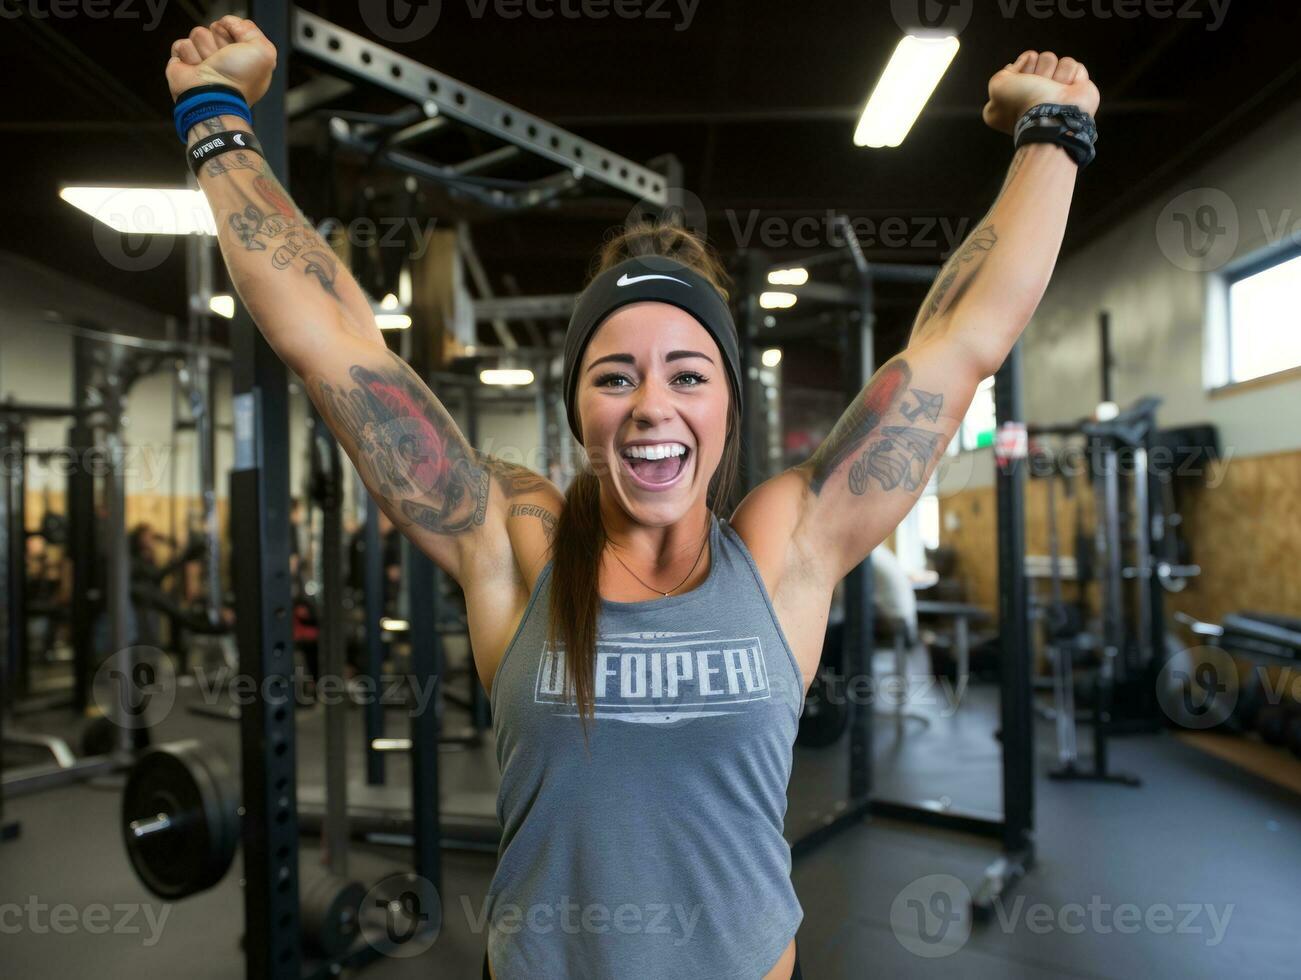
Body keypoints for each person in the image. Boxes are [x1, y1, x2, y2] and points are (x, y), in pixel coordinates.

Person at [165, 18, 1099, 979]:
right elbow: (334, 346)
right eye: (614, 377)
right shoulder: (518, 541)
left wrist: (1055, 134)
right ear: (577, 407)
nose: (653, 405)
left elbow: (960, 342)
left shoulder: (785, 547)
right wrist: (215, 119)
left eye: (689, 375)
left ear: (730, 405)